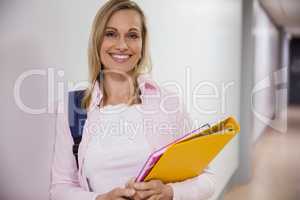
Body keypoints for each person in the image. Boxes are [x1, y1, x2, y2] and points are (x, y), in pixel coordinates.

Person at [50, 0, 215, 200]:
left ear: (142, 44)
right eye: (111, 34)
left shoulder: (168, 103)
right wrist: (100, 199)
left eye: (132, 35)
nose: (122, 45)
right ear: (97, 41)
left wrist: (171, 192)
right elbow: (60, 188)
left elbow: (207, 179)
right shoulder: (73, 108)